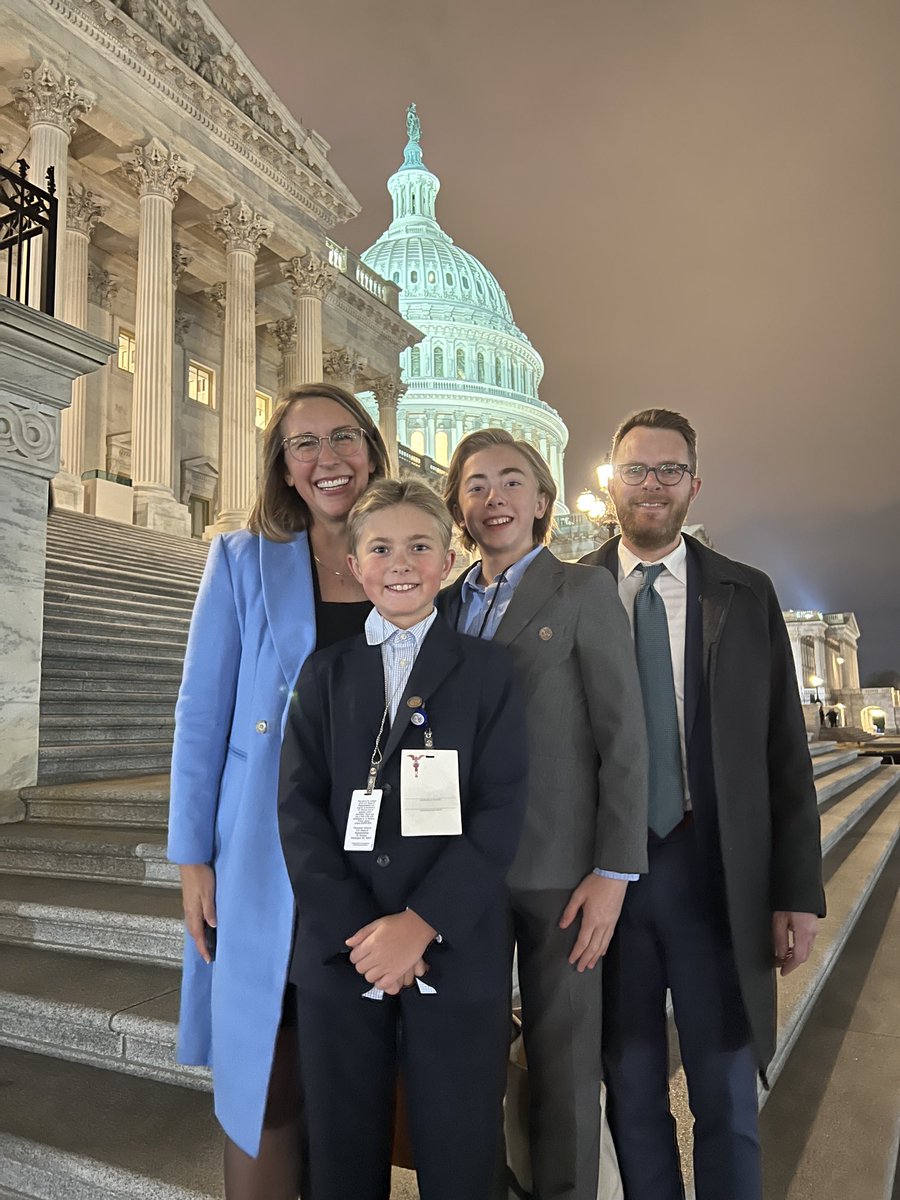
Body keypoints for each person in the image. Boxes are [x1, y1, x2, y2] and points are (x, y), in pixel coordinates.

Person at [581, 408, 825, 1200]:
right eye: (635, 470)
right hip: (606, 882)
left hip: (715, 873)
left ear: (694, 484)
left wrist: (797, 890)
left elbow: (784, 751)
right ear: (611, 481)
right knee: (632, 1085)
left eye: (668, 470)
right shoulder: (573, 590)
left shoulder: (744, 594)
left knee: (725, 1088)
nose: (651, 486)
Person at [167, 383, 389, 1199]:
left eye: (343, 438)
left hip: (377, 864)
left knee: (352, 1083)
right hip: (266, 856)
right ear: (284, 467)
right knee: (269, 1076)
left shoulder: (407, 557)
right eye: (305, 445)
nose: (328, 460)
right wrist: (193, 861)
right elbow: (200, 713)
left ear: (371, 448)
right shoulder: (240, 559)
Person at [278, 478, 527, 1200]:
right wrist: (363, 932)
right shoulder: (322, 674)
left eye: (419, 546)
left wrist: (419, 923)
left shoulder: (490, 673)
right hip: (341, 950)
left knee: (461, 1145)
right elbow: (298, 812)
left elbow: (500, 811)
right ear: (356, 565)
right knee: (341, 1148)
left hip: (455, 946)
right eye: (380, 547)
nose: (400, 562)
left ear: (447, 561)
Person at [440, 429, 649, 1200]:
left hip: (561, 872)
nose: (494, 498)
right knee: (466, 1057)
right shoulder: (439, 602)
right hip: (459, 873)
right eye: (476, 485)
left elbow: (624, 737)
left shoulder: (583, 592)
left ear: (542, 501)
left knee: (564, 1063)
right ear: (458, 506)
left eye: (511, 481)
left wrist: (614, 870)